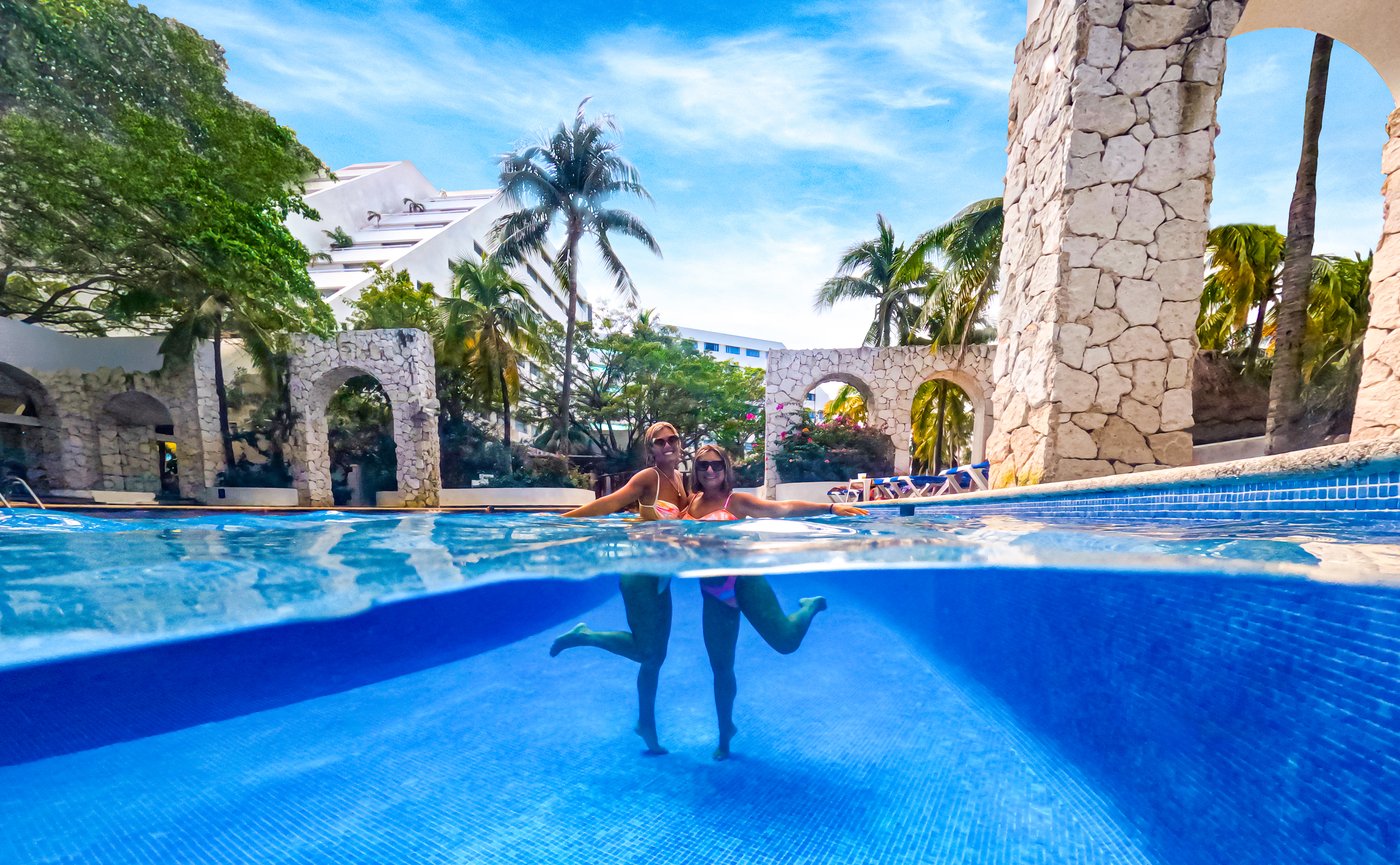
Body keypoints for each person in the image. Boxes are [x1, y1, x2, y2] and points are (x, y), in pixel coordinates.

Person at [685, 443, 868, 760]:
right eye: (703, 466)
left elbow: (781, 508)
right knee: (721, 669)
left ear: (726, 468)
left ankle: (809, 606)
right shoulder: (690, 505)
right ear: (696, 472)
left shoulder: (737, 501)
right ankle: (725, 730)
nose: (710, 471)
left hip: (745, 582)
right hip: (713, 593)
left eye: (716, 464)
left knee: (786, 643)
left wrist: (829, 509)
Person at [550, 421, 689, 754]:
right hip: (640, 573)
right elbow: (609, 503)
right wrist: (562, 522)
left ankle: (646, 724)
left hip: (662, 573)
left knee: (656, 657)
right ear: (650, 449)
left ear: (680, 443)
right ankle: (585, 636)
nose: (667, 445)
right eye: (660, 441)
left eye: (673, 439)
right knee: (647, 653)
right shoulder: (648, 478)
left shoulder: (682, 480)